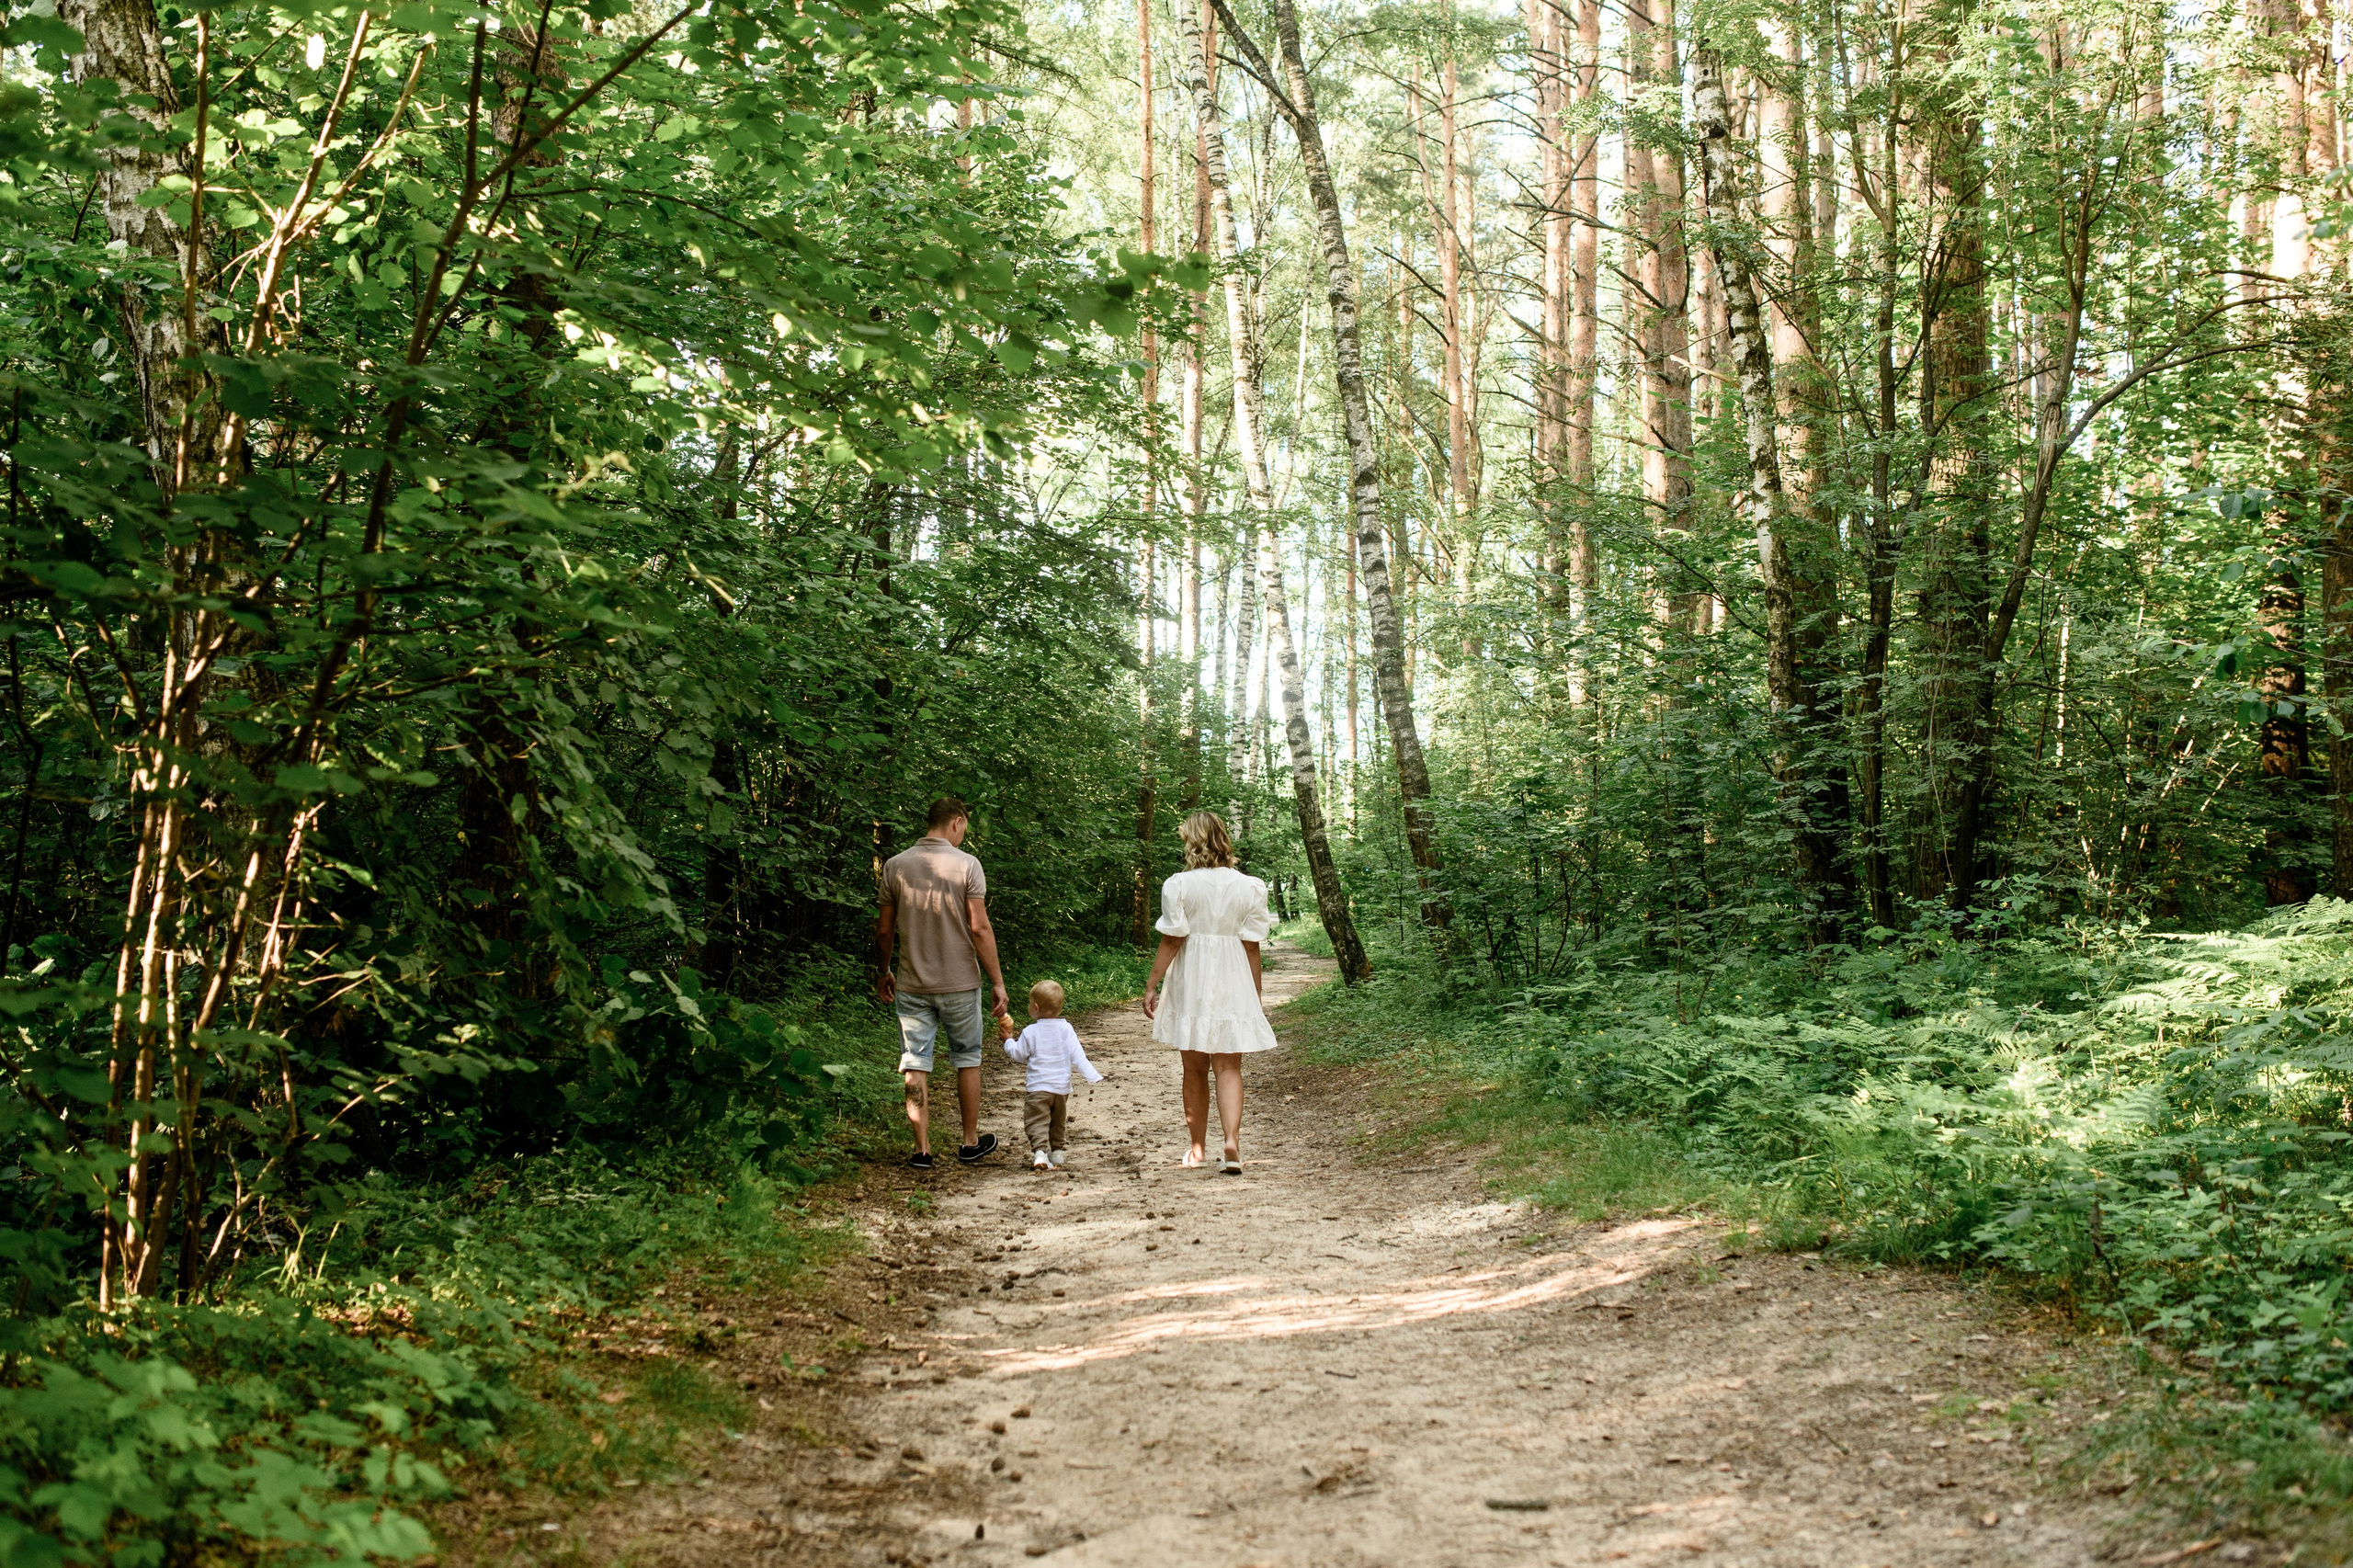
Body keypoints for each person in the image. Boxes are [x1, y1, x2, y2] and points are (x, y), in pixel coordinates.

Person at [1140, 811, 1276, 1174]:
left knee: (1194, 1067)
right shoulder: (1250, 886)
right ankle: (1231, 1142)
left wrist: (1153, 983)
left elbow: (1173, 938)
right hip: (1234, 975)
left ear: (1193, 841)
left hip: (1192, 977)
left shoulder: (1180, 885)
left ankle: (1197, 1149)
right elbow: (1251, 946)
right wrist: (1255, 994)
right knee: (1230, 1065)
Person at [875, 797, 1007, 1169]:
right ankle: (968, 1144)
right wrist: (997, 981)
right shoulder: (967, 865)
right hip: (961, 984)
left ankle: (922, 1150)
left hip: (912, 985)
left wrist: (883, 970)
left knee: (915, 1063)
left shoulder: (895, 866)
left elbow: (884, 929)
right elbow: (979, 927)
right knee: (968, 1059)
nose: (964, 834)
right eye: (964, 827)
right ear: (956, 822)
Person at [1003, 979, 1104, 1170]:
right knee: (1058, 1121)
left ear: (1036, 1007)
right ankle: (1057, 1153)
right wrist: (1092, 1075)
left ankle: (1040, 1153)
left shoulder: (1030, 1031)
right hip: (1061, 1089)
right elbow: (1078, 1055)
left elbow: (1018, 1055)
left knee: (1037, 1121)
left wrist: (1008, 1040)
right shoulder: (1066, 1029)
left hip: (1038, 1088)